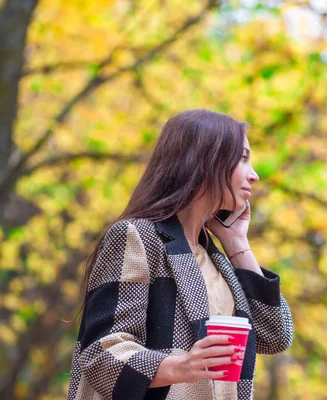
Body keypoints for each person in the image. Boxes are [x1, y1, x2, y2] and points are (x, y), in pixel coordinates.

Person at [67, 109, 294, 400]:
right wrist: (182, 367)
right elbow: (102, 353)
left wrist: (237, 243)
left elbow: (275, 335)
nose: (254, 175)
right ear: (207, 160)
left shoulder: (215, 256)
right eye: (243, 158)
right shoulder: (136, 236)